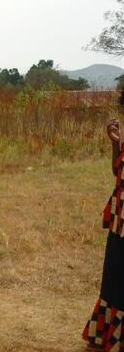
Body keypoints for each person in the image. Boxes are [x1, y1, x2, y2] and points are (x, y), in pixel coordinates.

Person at [83, 118, 124, 351]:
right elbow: (118, 172)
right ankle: (106, 335)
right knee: (113, 279)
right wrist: (116, 145)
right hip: (120, 219)